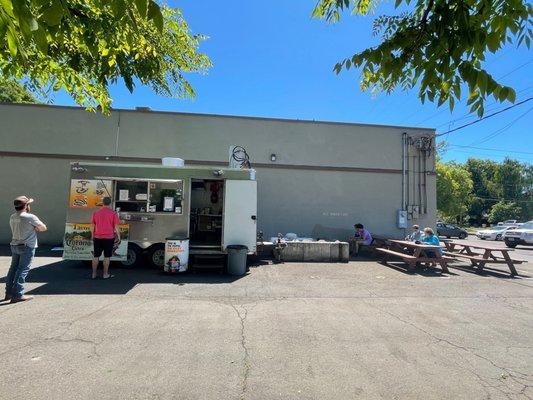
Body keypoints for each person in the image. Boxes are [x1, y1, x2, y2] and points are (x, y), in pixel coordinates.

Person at [4, 196, 47, 303]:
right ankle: (18, 294)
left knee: (13, 269)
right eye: (28, 204)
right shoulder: (30, 217)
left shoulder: (12, 216)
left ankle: (8, 293)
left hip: (14, 245)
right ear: (26, 206)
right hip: (27, 246)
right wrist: (35, 228)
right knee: (22, 270)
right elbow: (43, 228)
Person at [90, 197, 120, 279]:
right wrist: (119, 236)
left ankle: (94, 274)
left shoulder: (96, 213)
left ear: (102, 203)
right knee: (107, 257)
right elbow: (116, 226)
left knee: (96, 256)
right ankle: (105, 274)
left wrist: (92, 235)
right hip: (109, 238)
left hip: (97, 237)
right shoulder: (113, 213)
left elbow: (92, 226)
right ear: (110, 203)